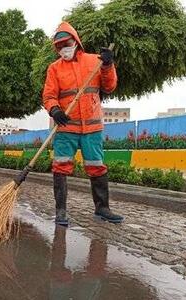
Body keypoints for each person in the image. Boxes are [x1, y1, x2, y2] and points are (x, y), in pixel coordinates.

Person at [42, 21, 124, 225]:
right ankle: (60, 211)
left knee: (97, 167)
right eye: (59, 46)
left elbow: (110, 86)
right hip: (66, 128)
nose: (63, 49)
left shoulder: (94, 61)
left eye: (66, 43)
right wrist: (54, 110)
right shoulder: (54, 69)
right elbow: (49, 95)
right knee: (60, 167)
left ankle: (102, 208)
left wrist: (107, 65)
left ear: (76, 41)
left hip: (92, 128)